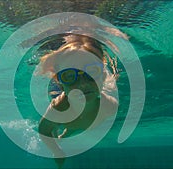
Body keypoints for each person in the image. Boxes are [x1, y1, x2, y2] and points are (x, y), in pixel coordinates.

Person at [37, 34, 119, 169]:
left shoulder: (110, 106)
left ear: (103, 77)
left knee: (71, 128)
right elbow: (43, 131)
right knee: (70, 126)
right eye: (69, 76)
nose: (82, 84)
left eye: (92, 72)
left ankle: (66, 133)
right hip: (70, 120)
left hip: (79, 122)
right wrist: (56, 152)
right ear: (60, 82)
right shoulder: (58, 109)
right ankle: (66, 133)